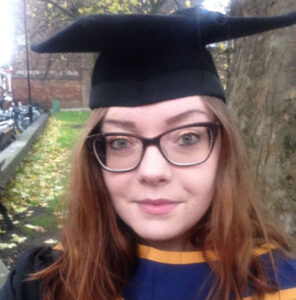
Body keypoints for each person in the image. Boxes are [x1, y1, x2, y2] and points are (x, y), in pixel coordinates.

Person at [1, 6, 296, 300]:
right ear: (95, 158)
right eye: (120, 142)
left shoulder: (284, 285)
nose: (152, 172)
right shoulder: (43, 284)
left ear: (224, 150)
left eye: (187, 137)